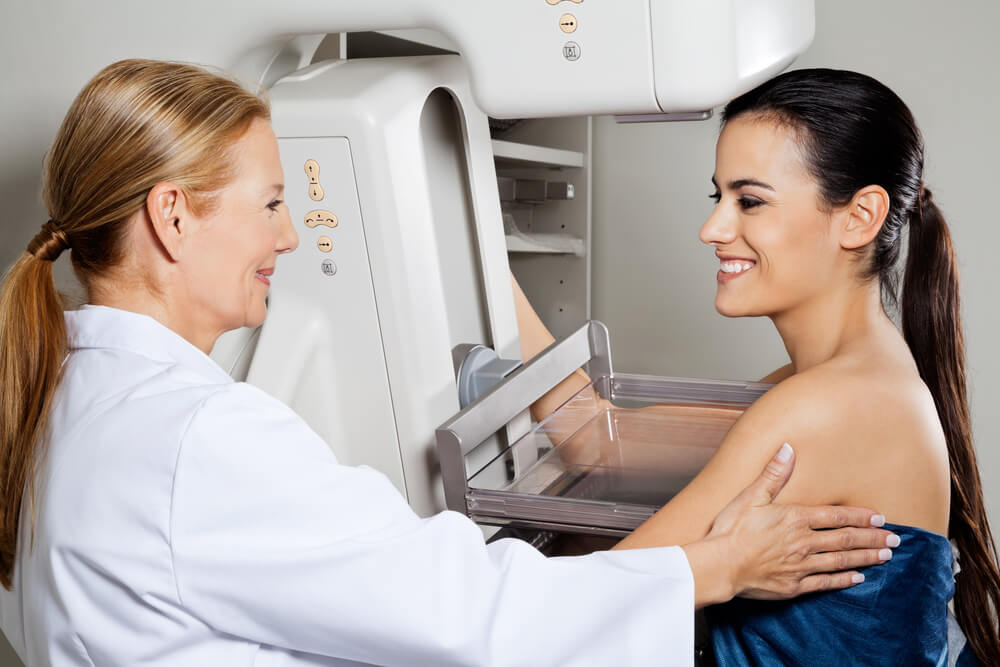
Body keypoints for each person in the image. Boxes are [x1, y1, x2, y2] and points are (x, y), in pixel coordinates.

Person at [0, 59, 897, 666]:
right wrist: (717, 568)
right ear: (172, 216)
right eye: (271, 203)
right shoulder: (199, 435)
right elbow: (463, 614)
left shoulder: (66, 391)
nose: (290, 231)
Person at [515, 68, 1000, 665]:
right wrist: (478, 249)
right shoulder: (843, 378)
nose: (713, 228)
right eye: (717, 197)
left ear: (859, 217)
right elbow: (597, 440)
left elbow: (597, 610)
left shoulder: (832, 405)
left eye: (750, 201)